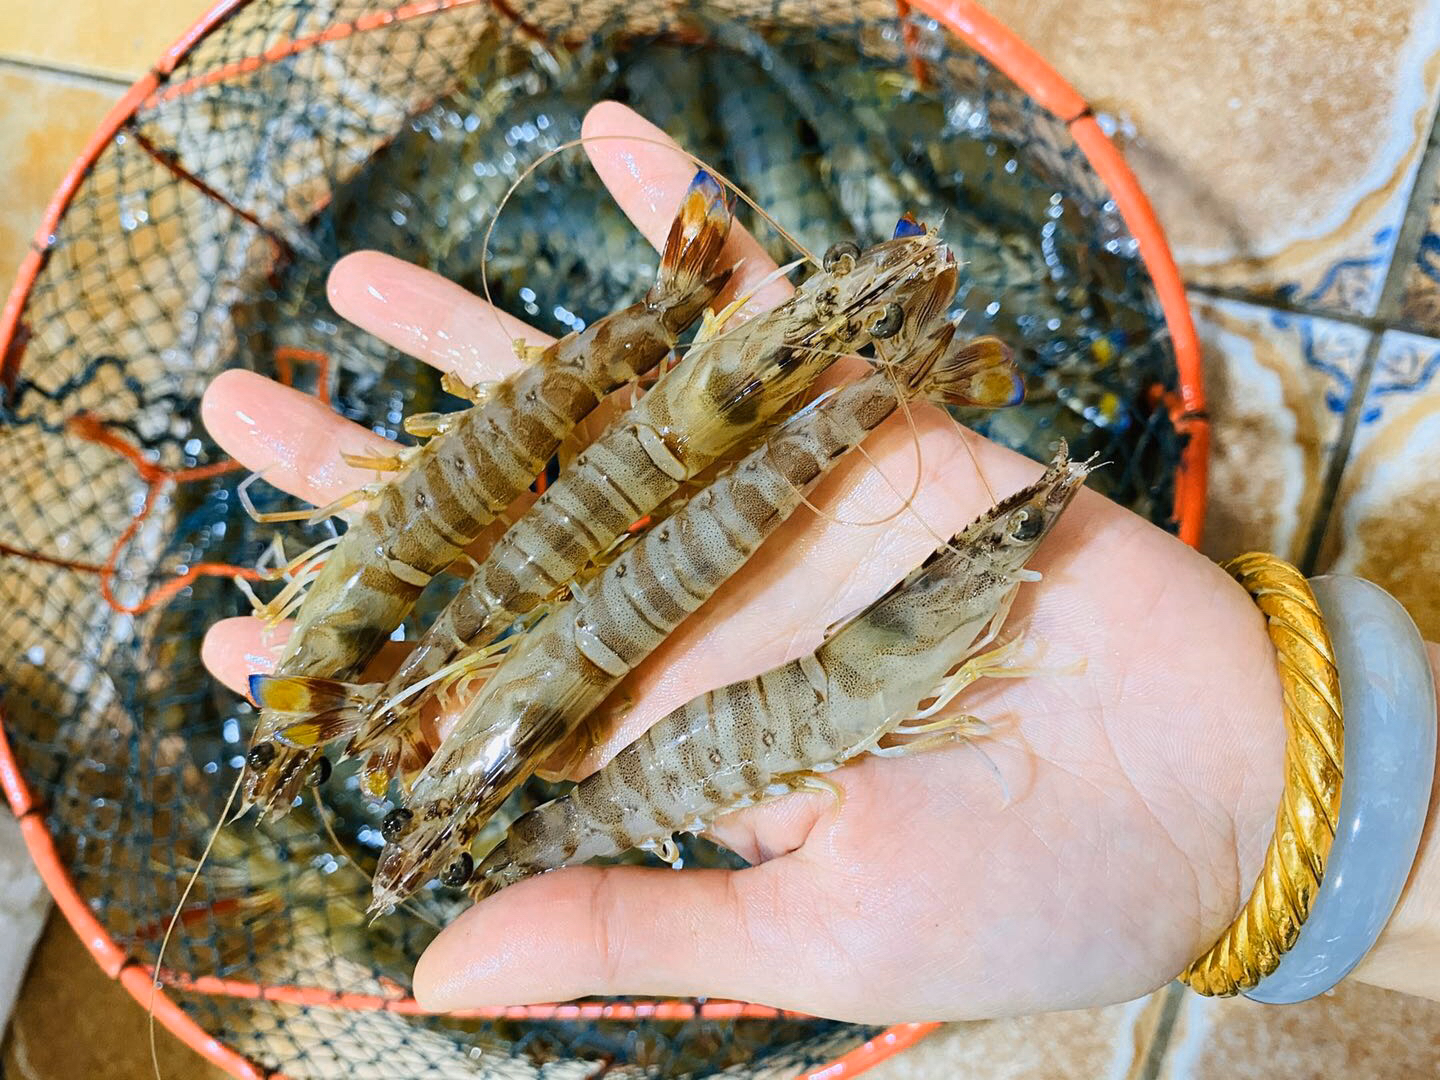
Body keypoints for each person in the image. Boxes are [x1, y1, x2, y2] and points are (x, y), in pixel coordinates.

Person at [199, 102, 1440, 1022]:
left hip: (654, 591)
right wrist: (1268, 791)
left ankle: (856, 369)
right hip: (624, 628)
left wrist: (1263, 792)